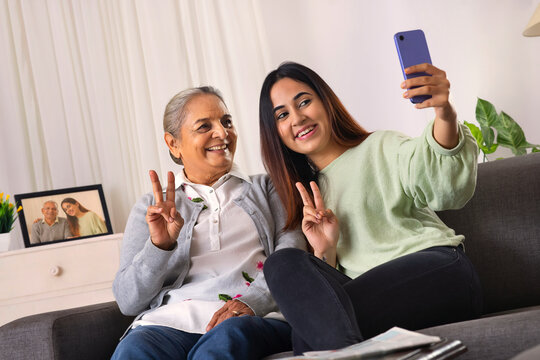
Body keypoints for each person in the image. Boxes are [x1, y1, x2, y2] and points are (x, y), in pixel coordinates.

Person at [258, 61, 483, 354]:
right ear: (275, 131)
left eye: (304, 102)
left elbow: (444, 185)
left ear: (325, 103)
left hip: (440, 271)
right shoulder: (307, 199)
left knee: (309, 338)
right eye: (283, 114)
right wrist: (326, 250)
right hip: (377, 303)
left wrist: (444, 112)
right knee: (282, 264)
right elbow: (329, 290)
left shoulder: (380, 146)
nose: (298, 118)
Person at [111, 86, 305, 360]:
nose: (223, 133)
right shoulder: (150, 208)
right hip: (169, 324)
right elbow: (128, 301)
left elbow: (292, 257)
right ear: (173, 143)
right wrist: (160, 246)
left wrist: (251, 303)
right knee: (134, 350)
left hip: (251, 318)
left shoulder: (268, 188)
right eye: (204, 126)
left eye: (227, 122)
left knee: (225, 341)